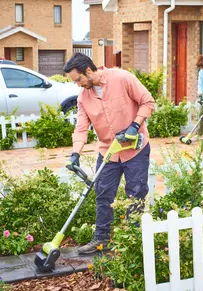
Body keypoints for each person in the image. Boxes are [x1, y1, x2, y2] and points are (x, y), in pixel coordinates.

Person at [63, 53, 155, 254]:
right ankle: (101, 239)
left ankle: (133, 240)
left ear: (88, 70)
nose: (78, 84)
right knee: (103, 194)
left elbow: (148, 102)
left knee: (136, 193)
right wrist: (75, 154)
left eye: (79, 79)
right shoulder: (83, 97)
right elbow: (81, 127)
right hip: (108, 152)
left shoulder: (122, 78)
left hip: (135, 149)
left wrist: (134, 126)